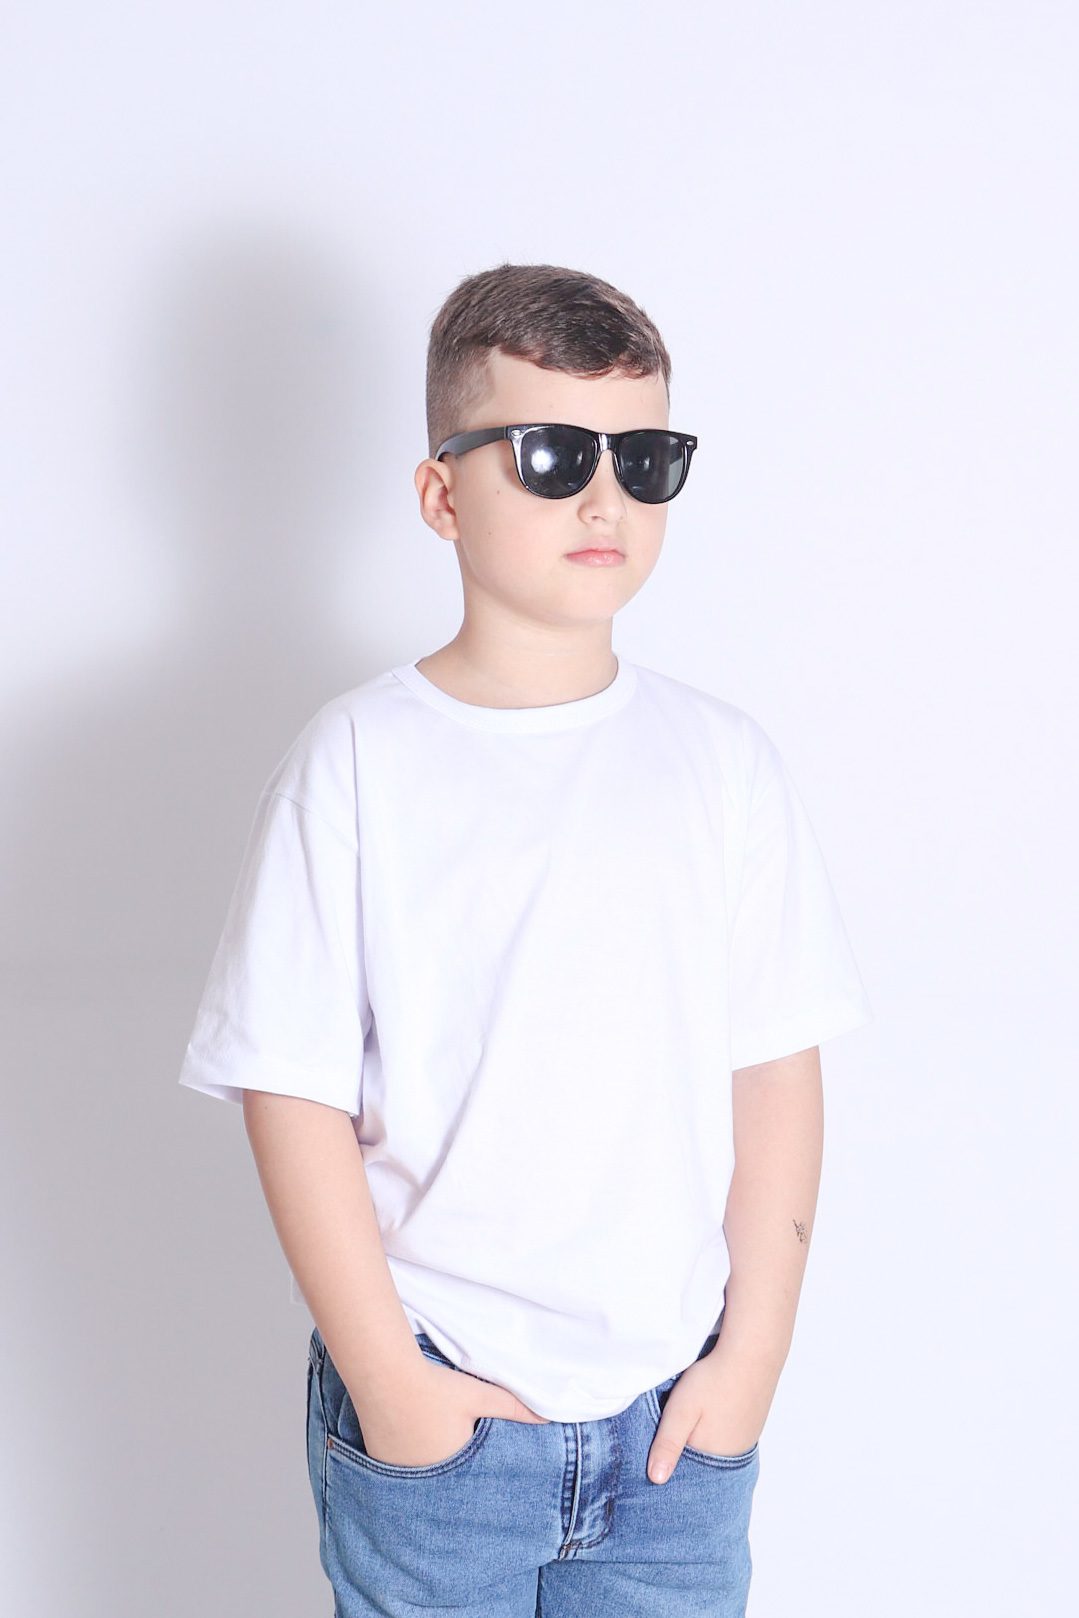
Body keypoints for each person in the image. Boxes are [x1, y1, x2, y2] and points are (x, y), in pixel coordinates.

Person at [179, 262, 872, 1616]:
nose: (605, 498)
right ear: (442, 494)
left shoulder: (723, 763)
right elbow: (291, 1090)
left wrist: (751, 1363)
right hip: (445, 1413)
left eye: (645, 460)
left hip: (674, 1420)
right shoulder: (359, 763)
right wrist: (391, 1382)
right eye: (553, 456)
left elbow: (777, 1071)